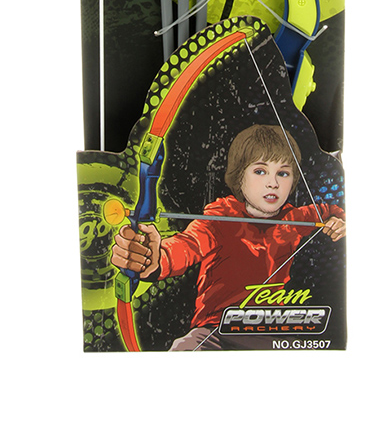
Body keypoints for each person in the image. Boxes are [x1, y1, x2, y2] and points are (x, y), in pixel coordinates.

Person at [111, 123, 345, 350]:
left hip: (272, 331)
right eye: (260, 171)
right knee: (185, 349)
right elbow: (187, 246)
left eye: (283, 173)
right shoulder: (220, 218)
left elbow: (332, 210)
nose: (273, 183)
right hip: (215, 332)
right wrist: (154, 258)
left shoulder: (294, 219)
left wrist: (340, 221)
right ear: (239, 177)